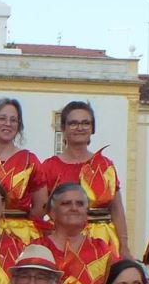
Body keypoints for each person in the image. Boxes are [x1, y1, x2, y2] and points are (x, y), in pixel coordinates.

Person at [40, 101, 128, 255]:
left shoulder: (105, 165)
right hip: (64, 241)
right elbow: (41, 209)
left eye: (85, 123)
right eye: (73, 123)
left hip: (104, 243)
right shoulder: (49, 167)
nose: (80, 128)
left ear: (92, 128)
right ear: (63, 128)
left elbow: (117, 209)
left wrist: (124, 245)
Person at [0, 98, 47, 242]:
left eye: (13, 120)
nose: (8, 124)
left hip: (20, 236)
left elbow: (41, 205)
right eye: (2, 118)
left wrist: (21, 225)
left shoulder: (30, 160)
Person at [41, 183, 119, 284]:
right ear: (52, 213)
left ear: (86, 213)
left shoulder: (101, 248)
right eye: (66, 203)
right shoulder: (38, 248)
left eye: (80, 204)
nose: (74, 208)